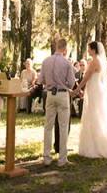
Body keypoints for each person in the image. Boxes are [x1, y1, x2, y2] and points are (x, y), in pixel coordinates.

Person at [34, 37, 76, 167]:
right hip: (63, 94)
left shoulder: (46, 61)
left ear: (56, 47)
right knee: (63, 127)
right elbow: (72, 82)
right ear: (65, 49)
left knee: (48, 126)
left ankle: (46, 157)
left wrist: (50, 82)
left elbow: (40, 80)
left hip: (49, 95)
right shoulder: (67, 62)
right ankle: (62, 159)